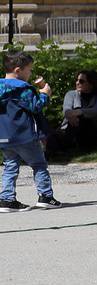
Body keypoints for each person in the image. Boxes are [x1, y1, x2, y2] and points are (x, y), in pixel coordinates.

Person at [0, 51, 60, 210]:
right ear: (18, 70)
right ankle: (46, 196)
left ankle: (7, 199)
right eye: (29, 70)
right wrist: (44, 94)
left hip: (4, 136)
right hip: (24, 136)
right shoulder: (22, 88)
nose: (31, 73)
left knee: (10, 166)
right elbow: (35, 106)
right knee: (39, 164)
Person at [51, 69, 97, 154]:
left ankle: (70, 146)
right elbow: (66, 110)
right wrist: (71, 116)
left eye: (82, 81)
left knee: (84, 118)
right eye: (77, 80)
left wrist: (79, 112)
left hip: (93, 131)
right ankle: (67, 145)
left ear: (92, 84)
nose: (77, 83)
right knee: (75, 120)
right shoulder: (71, 94)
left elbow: (96, 111)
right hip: (71, 127)